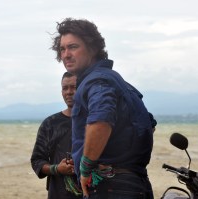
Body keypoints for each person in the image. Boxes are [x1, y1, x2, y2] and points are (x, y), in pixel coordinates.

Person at [51, 18, 157, 199]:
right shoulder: (117, 81)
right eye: (62, 49)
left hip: (110, 186)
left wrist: (86, 168)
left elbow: (101, 120)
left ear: (92, 48)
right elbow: (149, 124)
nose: (66, 54)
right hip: (134, 183)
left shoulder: (96, 81)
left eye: (73, 47)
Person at [30, 72, 81, 199]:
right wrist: (57, 168)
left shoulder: (94, 123)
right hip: (58, 193)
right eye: (65, 88)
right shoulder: (50, 123)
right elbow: (37, 161)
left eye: (74, 87)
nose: (69, 92)